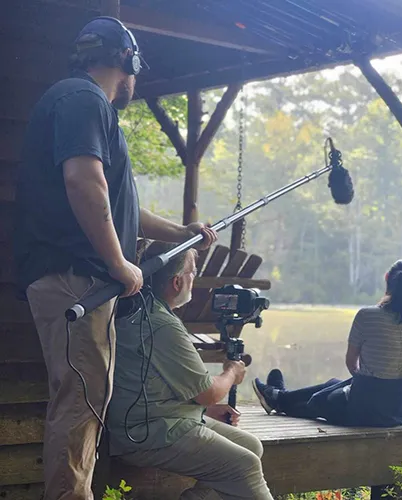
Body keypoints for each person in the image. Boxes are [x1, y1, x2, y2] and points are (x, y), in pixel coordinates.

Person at [13, 17, 216, 500]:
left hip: (79, 280)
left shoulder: (78, 104)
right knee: (80, 403)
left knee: (83, 400)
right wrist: (120, 264)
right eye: (136, 70)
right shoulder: (84, 101)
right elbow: (85, 183)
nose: (135, 81)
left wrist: (181, 233)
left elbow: (117, 205)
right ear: (127, 60)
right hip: (78, 281)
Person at [107, 240, 273, 500]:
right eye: (192, 272)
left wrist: (204, 410)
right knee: (245, 465)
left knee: (250, 445)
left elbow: (162, 384)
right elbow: (208, 392)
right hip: (146, 431)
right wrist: (232, 373)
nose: (194, 278)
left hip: (160, 417)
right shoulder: (162, 326)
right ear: (177, 282)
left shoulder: (150, 310)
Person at [253, 259, 402, 428]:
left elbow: (351, 363)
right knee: (332, 384)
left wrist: (365, 383)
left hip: (364, 413)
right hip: (398, 411)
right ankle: (279, 396)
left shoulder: (367, 316)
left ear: (387, 277)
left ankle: (279, 400)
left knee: (319, 401)